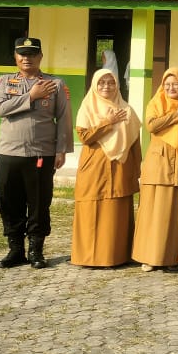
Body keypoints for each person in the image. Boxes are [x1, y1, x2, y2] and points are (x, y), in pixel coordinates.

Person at [0, 36, 73, 269]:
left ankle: (36, 250)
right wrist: (31, 96)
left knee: (39, 203)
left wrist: (61, 150)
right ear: (15, 57)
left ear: (40, 57)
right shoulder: (4, 81)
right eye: (22, 54)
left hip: (41, 153)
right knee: (8, 201)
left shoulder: (55, 83)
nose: (27, 58)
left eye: (32, 54)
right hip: (10, 152)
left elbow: (64, 118)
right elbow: (0, 109)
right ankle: (15, 249)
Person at [71, 69, 142, 267]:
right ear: (94, 85)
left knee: (116, 212)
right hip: (94, 166)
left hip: (120, 167)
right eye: (101, 82)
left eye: (111, 82)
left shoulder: (127, 110)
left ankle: (115, 256)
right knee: (90, 208)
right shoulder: (87, 107)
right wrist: (108, 123)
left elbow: (135, 143)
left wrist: (137, 169)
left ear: (117, 85)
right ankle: (88, 257)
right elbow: (85, 137)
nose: (106, 86)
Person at [132, 68, 178, 272]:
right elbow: (152, 125)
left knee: (176, 214)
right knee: (153, 213)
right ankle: (149, 257)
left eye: (175, 83)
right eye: (167, 84)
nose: (171, 88)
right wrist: (177, 115)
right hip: (158, 165)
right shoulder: (156, 103)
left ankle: (173, 258)